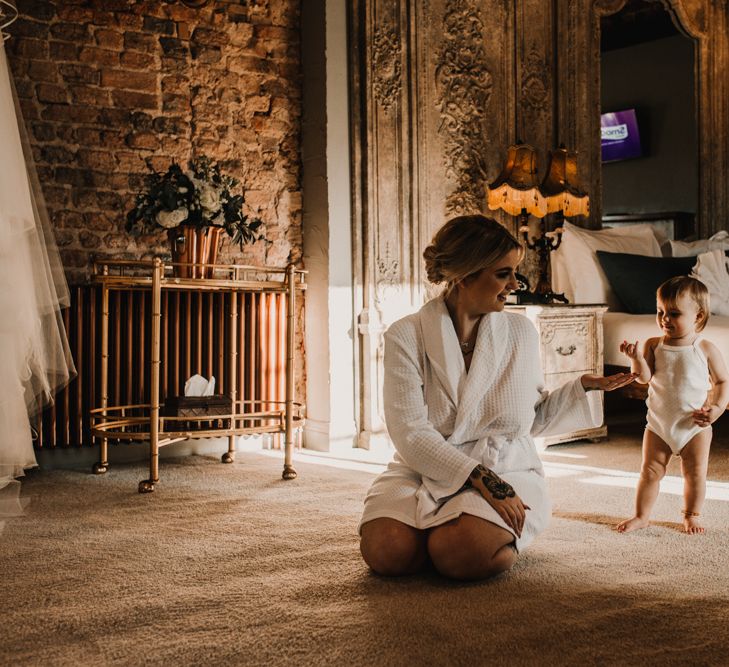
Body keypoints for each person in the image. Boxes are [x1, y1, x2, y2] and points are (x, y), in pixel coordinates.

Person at [358, 214, 636, 580]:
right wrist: (479, 479)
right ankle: (436, 534)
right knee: (386, 551)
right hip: (424, 467)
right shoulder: (406, 335)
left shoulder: (519, 333)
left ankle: (454, 538)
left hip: (506, 465)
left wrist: (583, 386)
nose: (514, 284)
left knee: (458, 554)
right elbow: (409, 432)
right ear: (464, 274)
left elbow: (527, 421)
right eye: (503, 273)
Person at [617, 276, 729, 535]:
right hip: (659, 424)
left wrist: (718, 408)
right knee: (649, 471)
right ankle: (641, 516)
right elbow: (644, 378)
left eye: (674, 313)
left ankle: (691, 515)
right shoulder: (654, 345)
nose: (664, 318)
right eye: (660, 312)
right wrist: (636, 359)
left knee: (695, 473)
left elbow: (722, 381)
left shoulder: (706, 349)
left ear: (698, 316)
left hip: (695, 426)